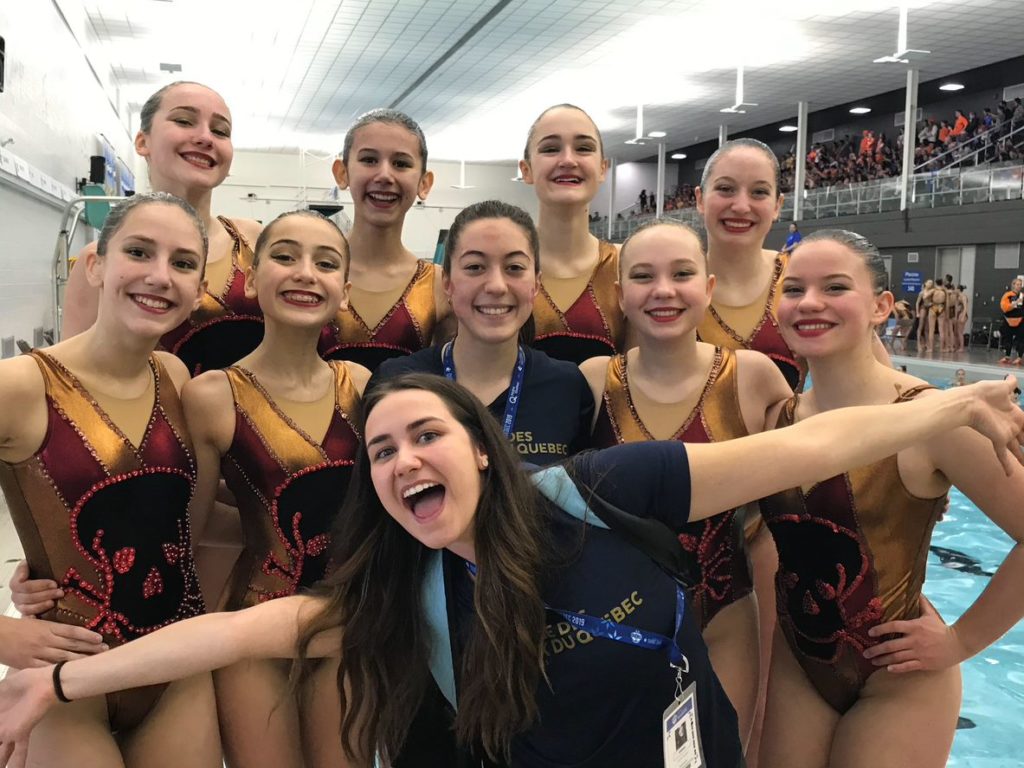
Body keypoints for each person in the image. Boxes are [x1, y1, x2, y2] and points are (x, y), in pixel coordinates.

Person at [2, 371, 1023, 768]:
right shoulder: (400, 599)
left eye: (425, 436)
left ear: (482, 450)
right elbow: (229, 633)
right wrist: (58, 682)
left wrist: (944, 405)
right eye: (382, 452)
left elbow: (801, 448)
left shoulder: (602, 491)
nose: (405, 460)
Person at [760, 229, 1024, 768]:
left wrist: (961, 641)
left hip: (902, 679)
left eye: (835, 287)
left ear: (881, 306)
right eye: (794, 289)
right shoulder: (775, 417)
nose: (809, 302)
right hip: (798, 666)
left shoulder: (936, 421)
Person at [0, 193, 221, 767]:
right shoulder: (20, 387)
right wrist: (2, 633)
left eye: (182, 263)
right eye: (139, 252)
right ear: (95, 265)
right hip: (66, 672)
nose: (160, 276)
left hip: (175, 661)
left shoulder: (175, 376)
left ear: (199, 288)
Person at [579, 219, 793, 747]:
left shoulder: (754, 377)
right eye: (643, 276)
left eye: (682, 274)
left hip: (725, 620)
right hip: (616, 622)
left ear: (708, 287)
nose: (664, 290)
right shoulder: (593, 380)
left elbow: (813, 463)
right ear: (620, 294)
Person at [180, 210, 369, 768]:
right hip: (256, 624)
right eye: (285, 257)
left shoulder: (361, 387)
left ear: (345, 291)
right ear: (252, 278)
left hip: (346, 620)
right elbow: (185, 530)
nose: (305, 273)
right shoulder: (212, 395)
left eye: (325, 263)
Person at [61, 81, 264, 376]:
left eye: (220, 131)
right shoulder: (102, 261)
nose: (205, 137)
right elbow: (69, 378)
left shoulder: (253, 240)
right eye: (184, 121)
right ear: (143, 141)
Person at [373, 200, 593, 464]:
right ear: (447, 283)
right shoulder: (397, 381)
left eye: (514, 268)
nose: (496, 286)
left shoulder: (567, 386)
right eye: (475, 267)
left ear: (535, 284)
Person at [317, 109, 449, 370]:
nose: (385, 176)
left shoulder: (440, 287)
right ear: (342, 173)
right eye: (369, 160)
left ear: (424, 183)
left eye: (401, 164)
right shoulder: (311, 274)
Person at [520, 104, 627, 364]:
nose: (568, 160)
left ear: (602, 169)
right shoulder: (501, 268)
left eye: (584, 148)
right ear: (526, 170)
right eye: (550, 149)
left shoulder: (627, 265)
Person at [999, 278, 1024, 365]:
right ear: (1013, 285)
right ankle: (1007, 357)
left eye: (1020, 284)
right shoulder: (1007, 295)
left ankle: (1019, 357)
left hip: (1021, 321)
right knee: (1007, 339)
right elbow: (1004, 308)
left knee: (1021, 339)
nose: (1019, 286)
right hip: (1008, 321)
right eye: (1017, 284)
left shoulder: (1022, 295)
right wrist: (1015, 303)